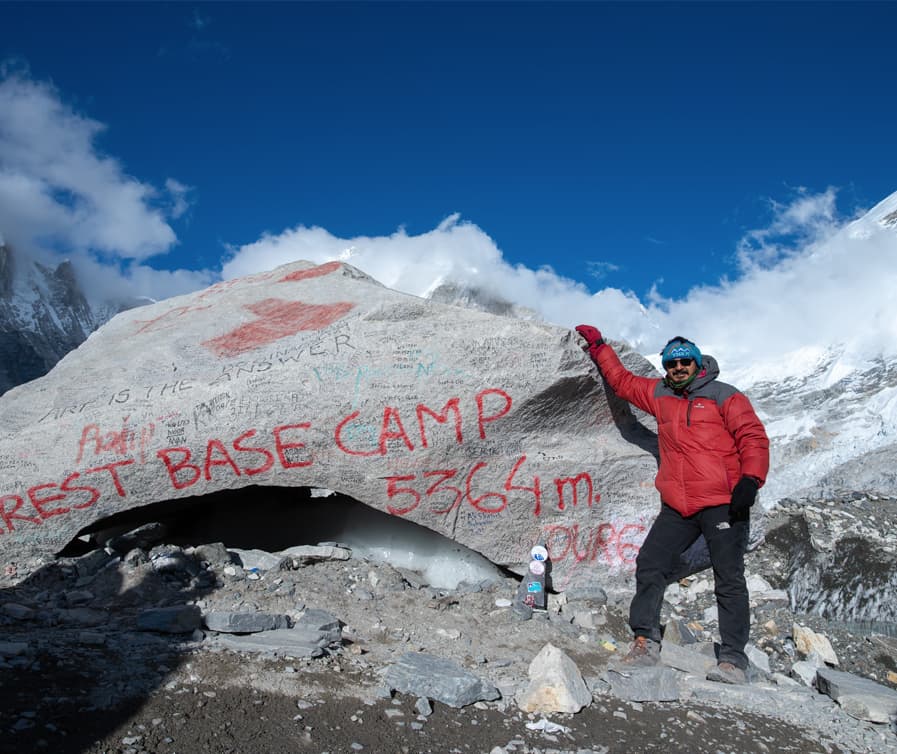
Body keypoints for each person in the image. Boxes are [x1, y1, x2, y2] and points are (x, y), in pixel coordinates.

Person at [575, 326, 769, 684]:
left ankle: (732, 660)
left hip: (723, 503)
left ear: (697, 363)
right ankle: (645, 640)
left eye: (684, 362)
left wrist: (750, 480)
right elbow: (623, 383)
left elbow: (753, 437)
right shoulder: (661, 393)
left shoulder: (725, 396)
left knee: (728, 578)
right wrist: (599, 346)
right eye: (671, 363)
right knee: (650, 564)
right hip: (678, 505)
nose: (678, 367)